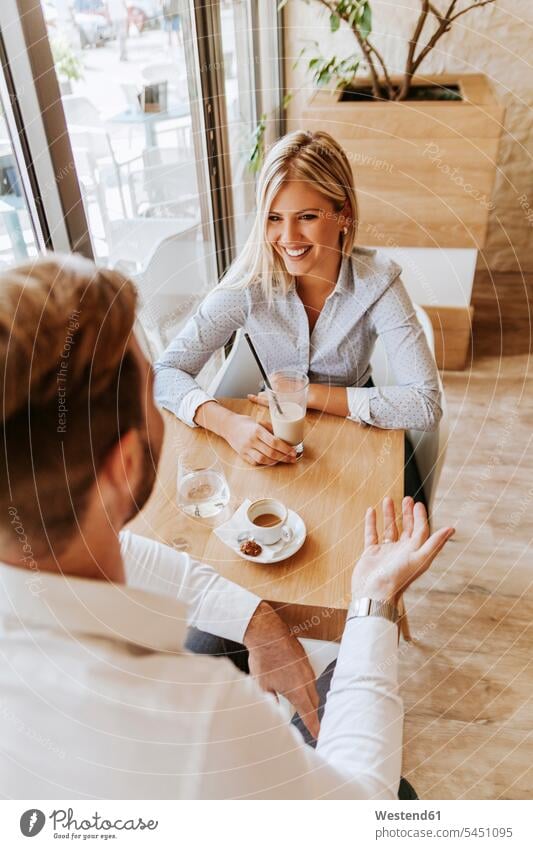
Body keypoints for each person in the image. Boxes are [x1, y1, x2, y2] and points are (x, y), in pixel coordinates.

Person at [0, 254, 453, 799]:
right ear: (124, 468)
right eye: (152, 397)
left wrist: (260, 621)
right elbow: (361, 810)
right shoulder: (202, 724)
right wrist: (373, 600)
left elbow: (130, 554)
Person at [154, 130, 442, 504]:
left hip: (360, 434)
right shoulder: (248, 285)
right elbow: (164, 372)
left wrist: (309, 395)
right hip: (275, 435)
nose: (287, 237)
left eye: (306, 216)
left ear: (344, 216)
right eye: (274, 217)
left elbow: (425, 405)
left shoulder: (378, 282)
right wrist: (228, 423)